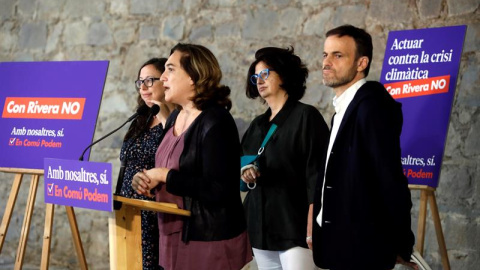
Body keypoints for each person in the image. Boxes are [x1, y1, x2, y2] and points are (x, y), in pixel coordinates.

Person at [131, 43, 252, 270]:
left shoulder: (216, 121)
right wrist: (148, 180)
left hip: (207, 239)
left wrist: (165, 176)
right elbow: (173, 170)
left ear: (193, 77)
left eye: (170, 69)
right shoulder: (175, 116)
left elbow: (219, 189)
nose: (163, 77)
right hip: (172, 235)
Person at [311, 24, 417, 270]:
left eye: (338, 55)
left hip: (362, 249)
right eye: (325, 55)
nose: (327, 62)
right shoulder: (344, 108)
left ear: (361, 63)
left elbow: (390, 180)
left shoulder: (372, 107)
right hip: (340, 245)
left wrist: (401, 246)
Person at [241, 47, 329, 270]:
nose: (259, 81)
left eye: (265, 74)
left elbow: (316, 176)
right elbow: (242, 170)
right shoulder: (256, 126)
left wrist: (313, 225)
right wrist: (245, 172)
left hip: (295, 227)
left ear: (284, 74)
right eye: (255, 76)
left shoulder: (305, 117)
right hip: (261, 229)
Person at [118, 57, 175, 270]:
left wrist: (164, 113)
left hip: (153, 212)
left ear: (165, 80)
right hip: (127, 208)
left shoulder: (174, 122)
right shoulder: (140, 118)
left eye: (149, 80)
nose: (143, 87)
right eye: (140, 81)